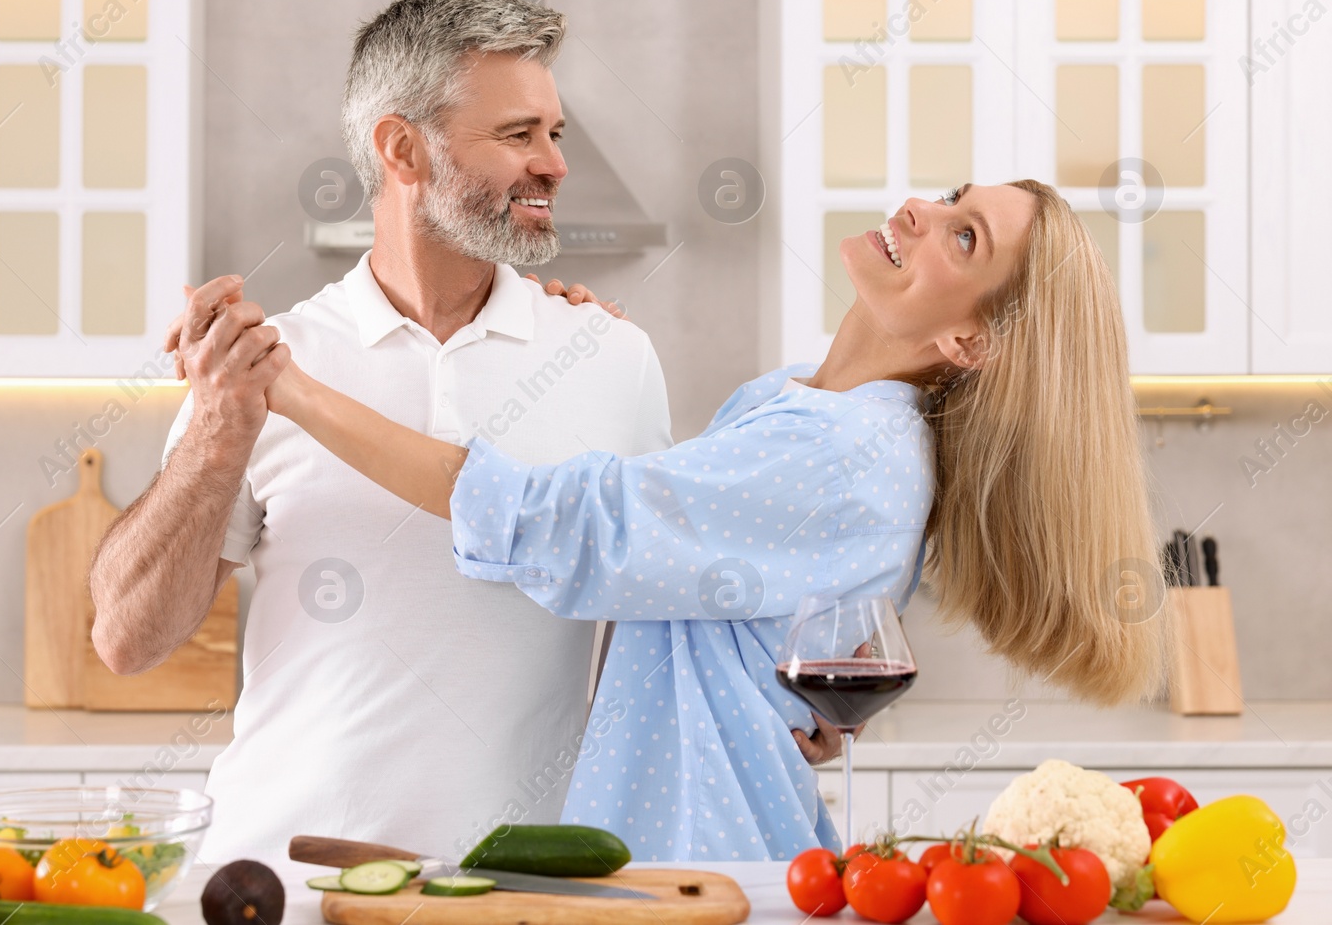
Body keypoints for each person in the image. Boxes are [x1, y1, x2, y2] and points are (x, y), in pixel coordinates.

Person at [87, 0, 841, 864]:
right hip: (291, 870)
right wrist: (219, 431)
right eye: (519, 135)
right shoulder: (272, 364)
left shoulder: (608, 355)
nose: (554, 164)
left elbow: (668, 605)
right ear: (403, 148)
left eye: (556, 134)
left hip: (529, 881)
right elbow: (126, 638)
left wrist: (778, 700)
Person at [242, 179, 1167, 860]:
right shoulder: (800, 401)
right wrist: (583, 345)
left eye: (963, 238)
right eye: (952, 196)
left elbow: (573, 527)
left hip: (707, 859)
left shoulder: (843, 454)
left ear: (969, 341)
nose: (921, 210)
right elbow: (684, 554)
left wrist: (293, 391)